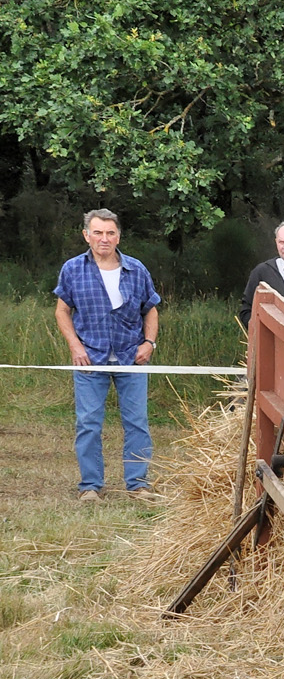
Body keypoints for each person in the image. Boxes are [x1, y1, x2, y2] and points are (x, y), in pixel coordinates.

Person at [53, 209, 163, 502]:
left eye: (110, 233)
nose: (104, 238)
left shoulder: (136, 269)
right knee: (88, 423)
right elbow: (62, 311)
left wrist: (149, 343)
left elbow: (150, 309)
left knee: (137, 422)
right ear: (86, 236)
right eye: (98, 232)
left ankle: (138, 484)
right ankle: (90, 485)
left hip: (132, 359)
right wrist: (75, 346)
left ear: (118, 237)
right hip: (90, 359)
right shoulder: (73, 269)